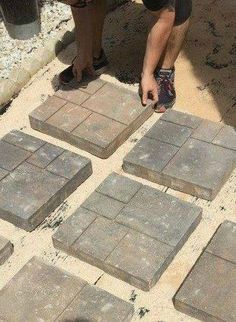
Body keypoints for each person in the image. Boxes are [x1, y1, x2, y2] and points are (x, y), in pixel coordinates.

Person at [59, 0, 192, 112]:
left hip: (166, 11)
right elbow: (79, 7)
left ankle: (164, 70)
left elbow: (165, 17)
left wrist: (148, 74)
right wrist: (83, 52)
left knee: (176, 9)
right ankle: (94, 58)